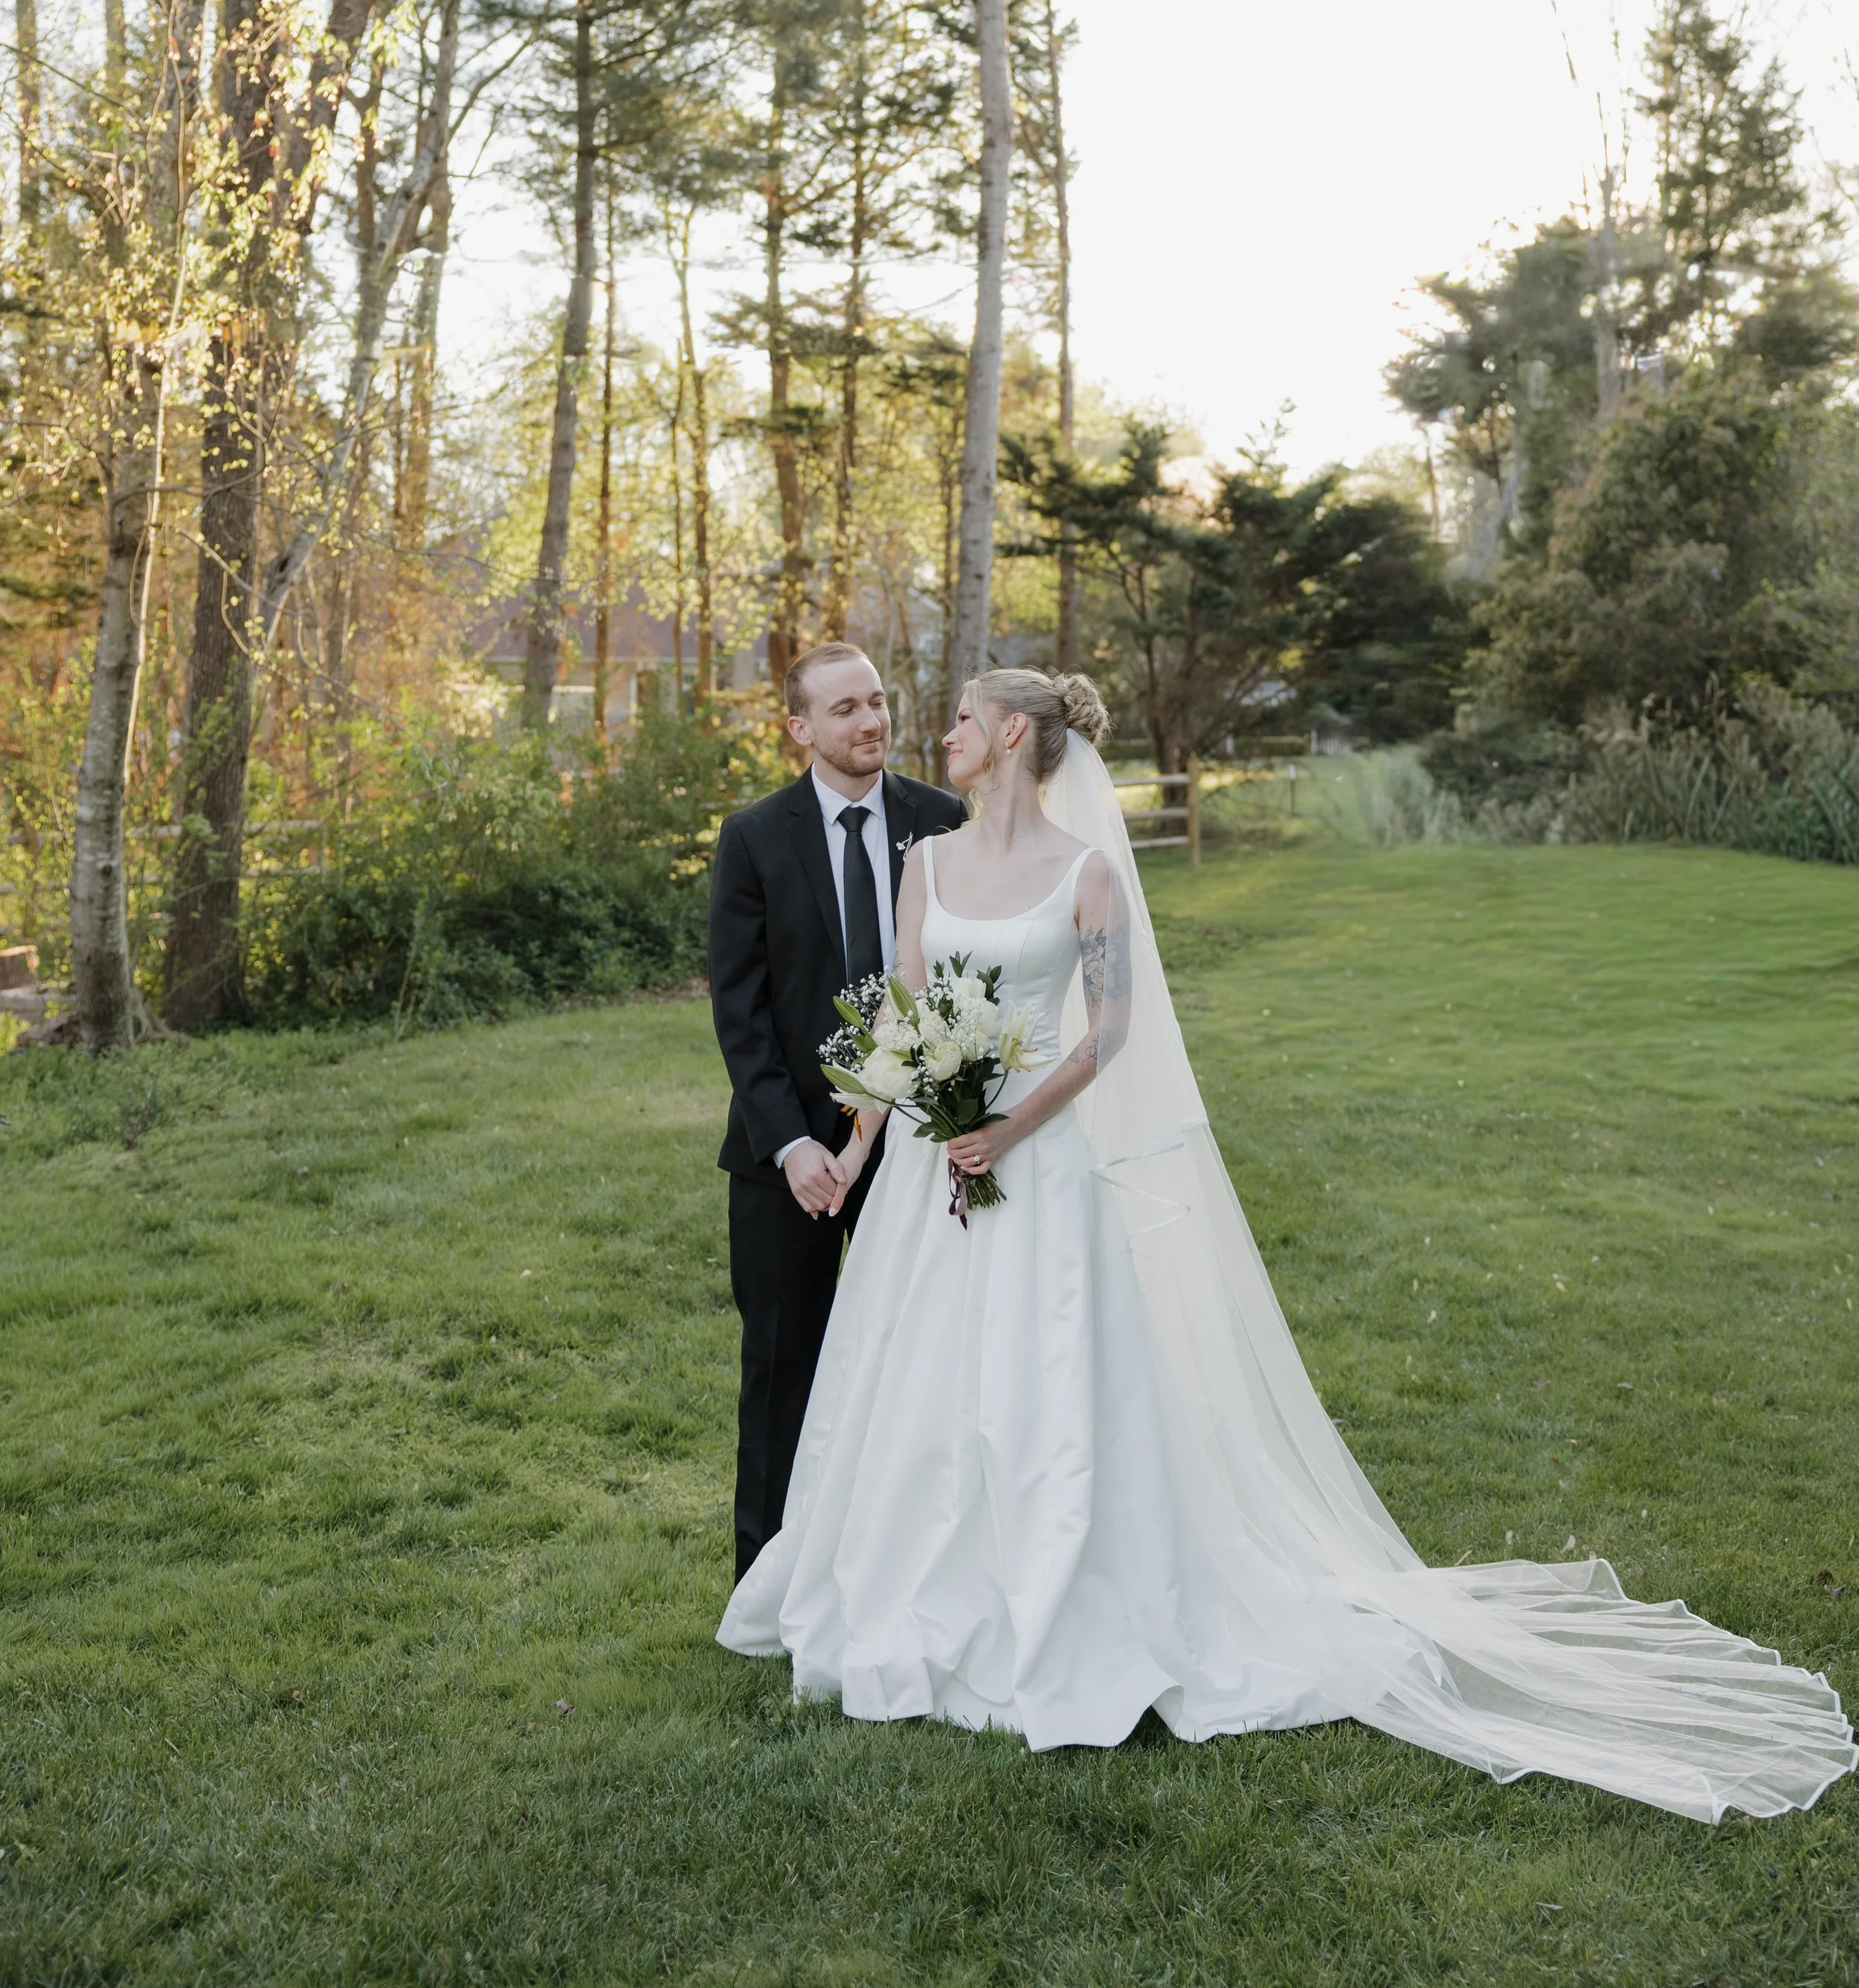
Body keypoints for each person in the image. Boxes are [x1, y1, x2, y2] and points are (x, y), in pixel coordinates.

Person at [718, 666, 1858, 1823]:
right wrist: (861, 1150)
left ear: (1012, 733)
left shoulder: (1089, 872)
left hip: (1039, 1167)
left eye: (962, 717)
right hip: (930, 1176)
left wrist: (1006, 1127)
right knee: (917, 1380)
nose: (940, 733)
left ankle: (1063, 1598)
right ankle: (912, 1590)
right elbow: (905, 1024)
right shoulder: (926, 862)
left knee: (1047, 1379)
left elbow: (1107, 1030)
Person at [709, 641, 965, 1585]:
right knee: (783, 1371)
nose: (871, 722)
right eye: (846, 709)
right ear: (799, 728)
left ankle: (912, 1572)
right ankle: (767, 1583)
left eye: (879, 702)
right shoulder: (754, 837)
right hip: (791, 1160)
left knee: (924, 1364)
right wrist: (791, 1144)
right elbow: (740, 1012)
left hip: (920, 1147)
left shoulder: (942, 824)